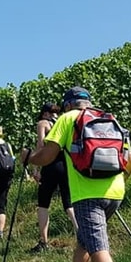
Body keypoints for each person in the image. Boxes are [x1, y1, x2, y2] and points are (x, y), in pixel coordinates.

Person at [22, 86, 131, 262]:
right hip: (115, 192)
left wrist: (28, 158)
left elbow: (47, 156)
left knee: (97, 247)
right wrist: (117, 183)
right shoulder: (109, 118)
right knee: (85, 240)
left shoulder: (67, 119)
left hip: (87, 195)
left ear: (67, 105)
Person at [29, 102, 78, 253]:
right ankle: (81, 235)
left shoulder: (43, 123)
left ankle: (44, 242)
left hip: (50, 165)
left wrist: (36, 169)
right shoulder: (63, 121)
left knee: (43, 203)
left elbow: (40, 146)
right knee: (68, 203)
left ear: (44, 113)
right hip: (66, 165)